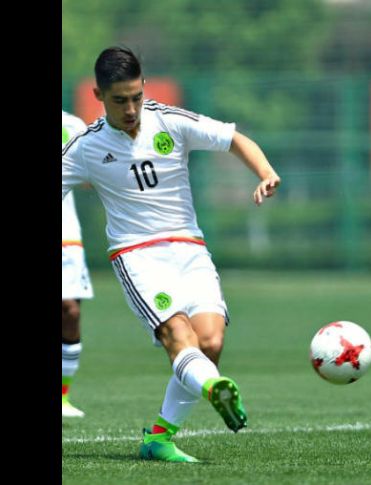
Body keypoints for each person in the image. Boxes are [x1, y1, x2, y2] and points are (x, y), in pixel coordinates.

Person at [62, 46, 281, 463]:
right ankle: (215, 388)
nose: (130, 108)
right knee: (179, 339)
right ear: (98, 96)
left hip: (190, 250)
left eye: (136, 96)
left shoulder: (170, 121)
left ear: (144, 87)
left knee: (210, 343)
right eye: (119, 100)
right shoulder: (86, 147)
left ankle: (159, 438)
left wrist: (266, 173)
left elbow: (234, 138)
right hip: (138, 257)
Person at [62, 110, 94, 419]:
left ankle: (62, 397)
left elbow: (90, 176)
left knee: (69, 311)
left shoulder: (71, 125)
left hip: (65, 235)